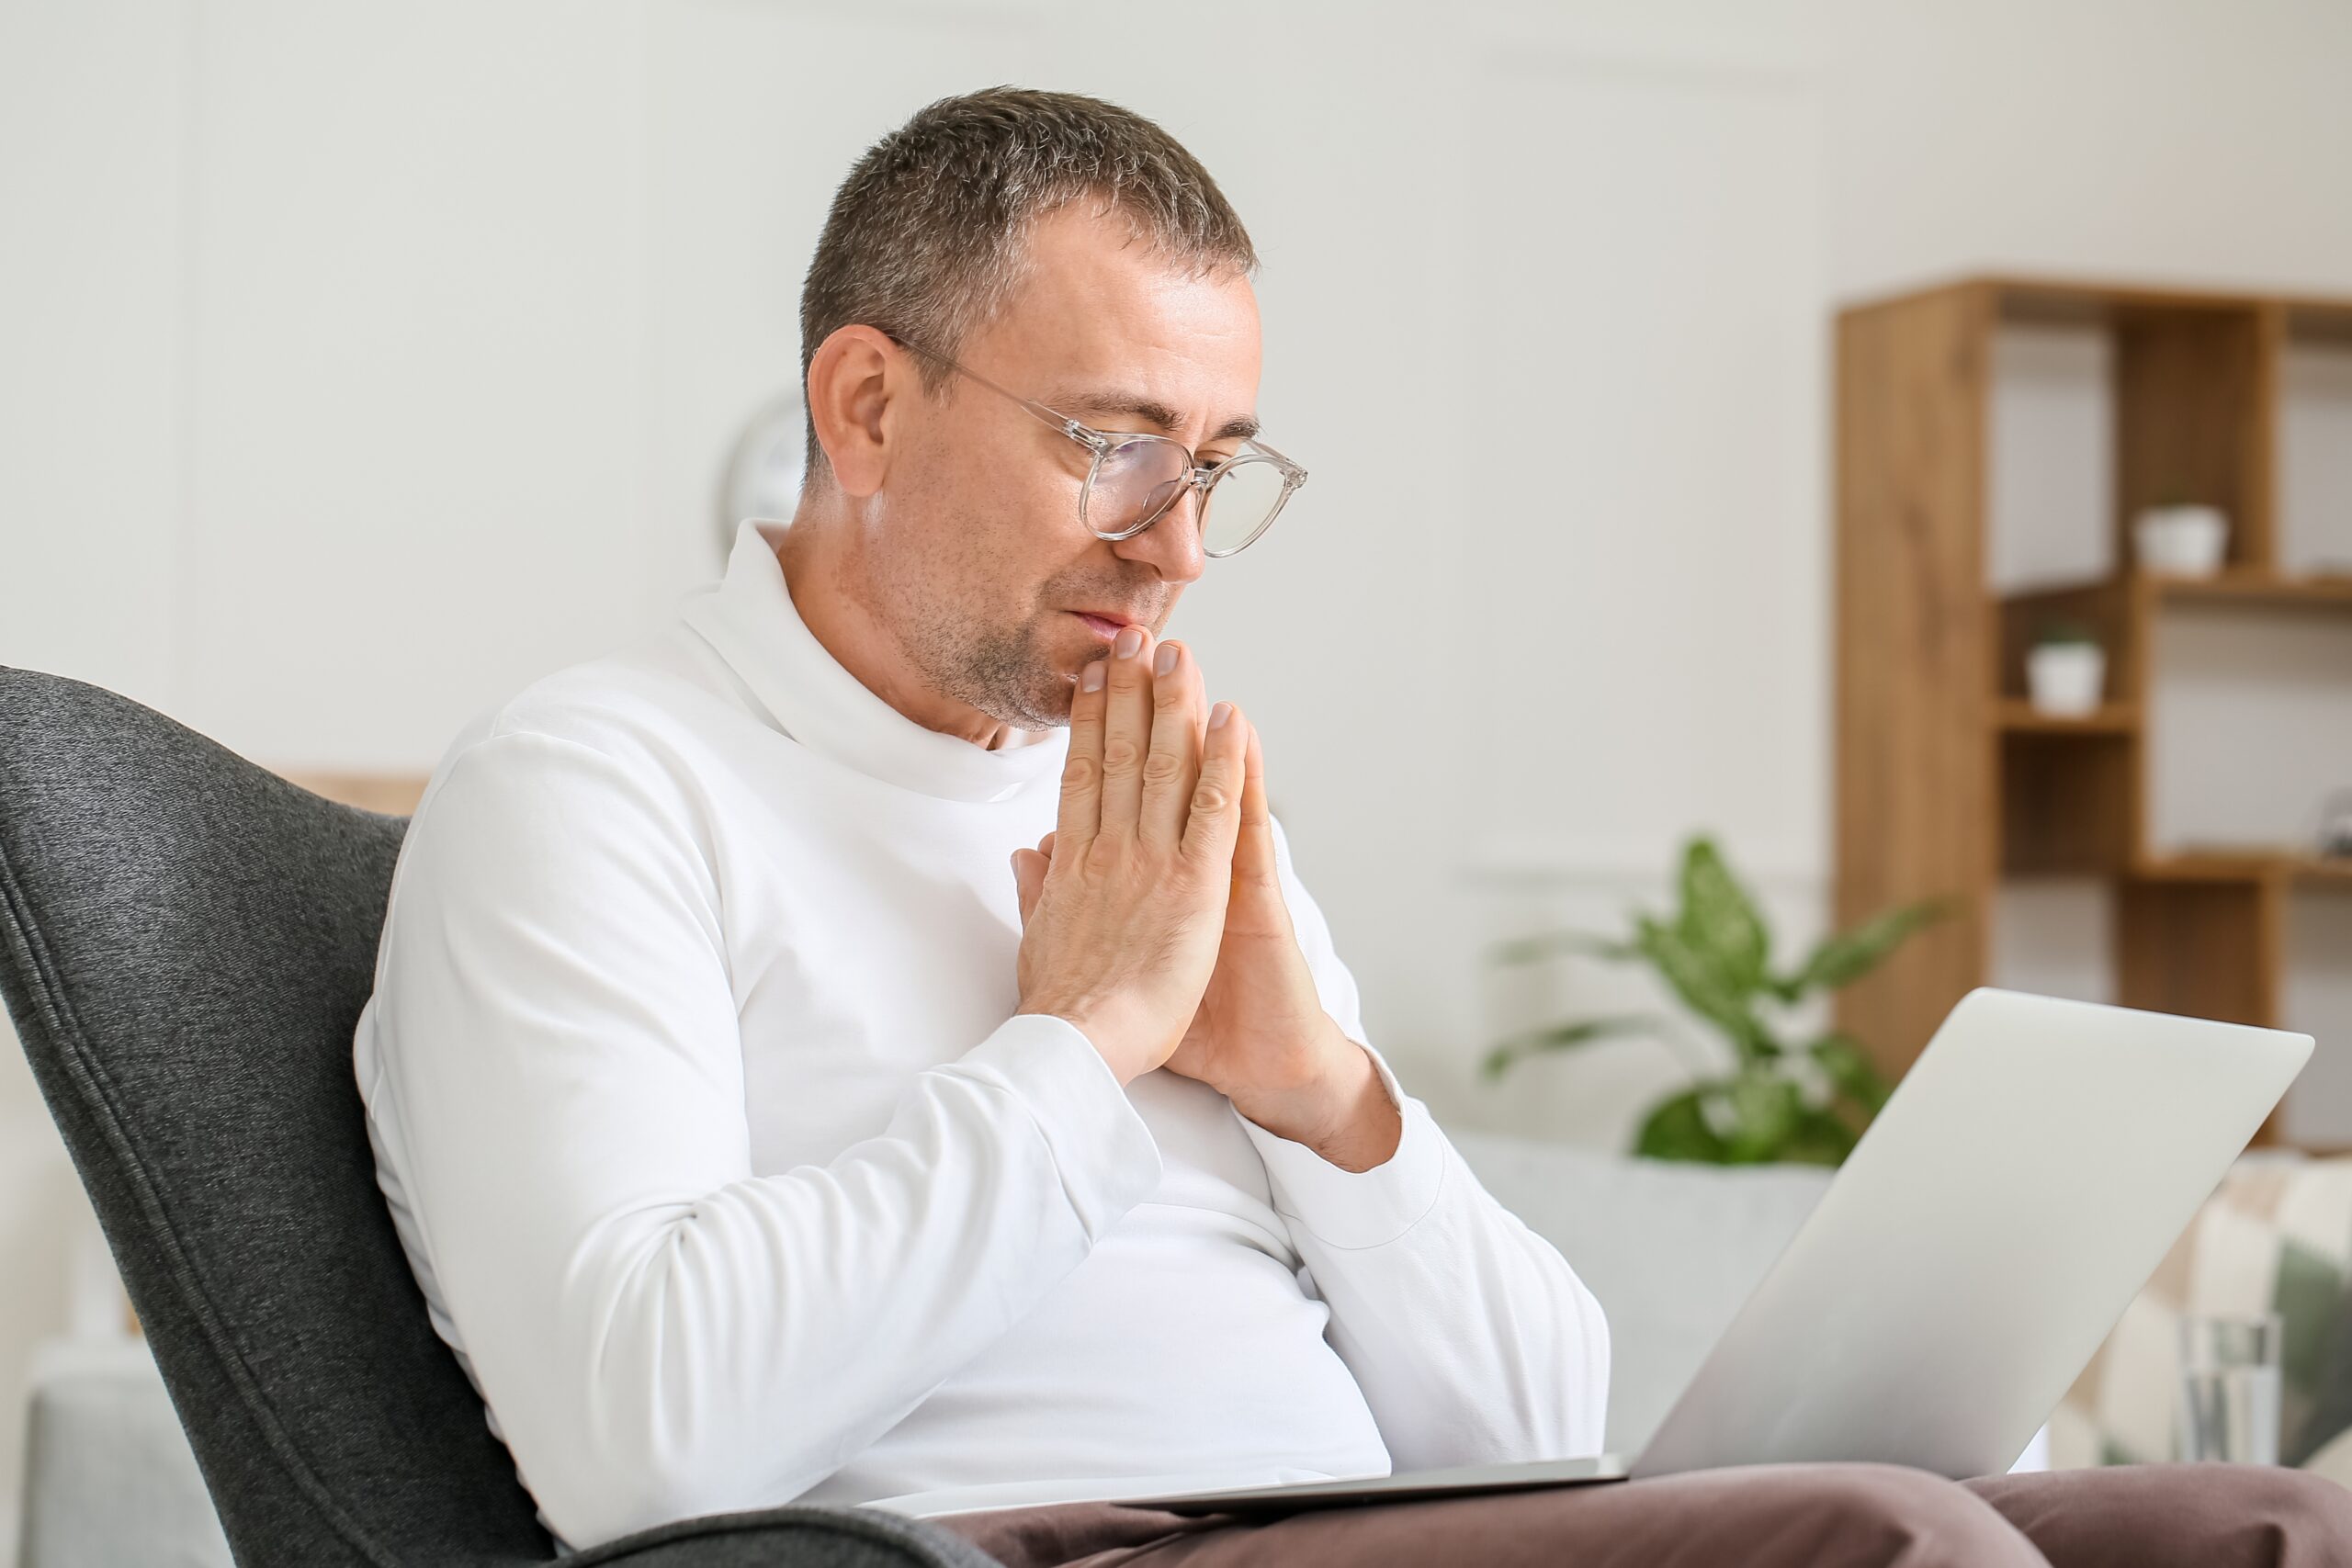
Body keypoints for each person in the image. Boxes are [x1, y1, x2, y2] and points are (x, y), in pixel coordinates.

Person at [353, 86, 2352, 1567]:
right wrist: (1079, 1043)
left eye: (1218, 461)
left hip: (1343, 1525)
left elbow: (1536, 1420)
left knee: (2270, 1524)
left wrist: (1325, 1093)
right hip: (1014, 1547)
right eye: (1111, 442)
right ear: (864, 408)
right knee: (1890, 1546)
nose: (1181, 544)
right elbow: (648, 1444)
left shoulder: (1144, 800)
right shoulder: (592, 787)